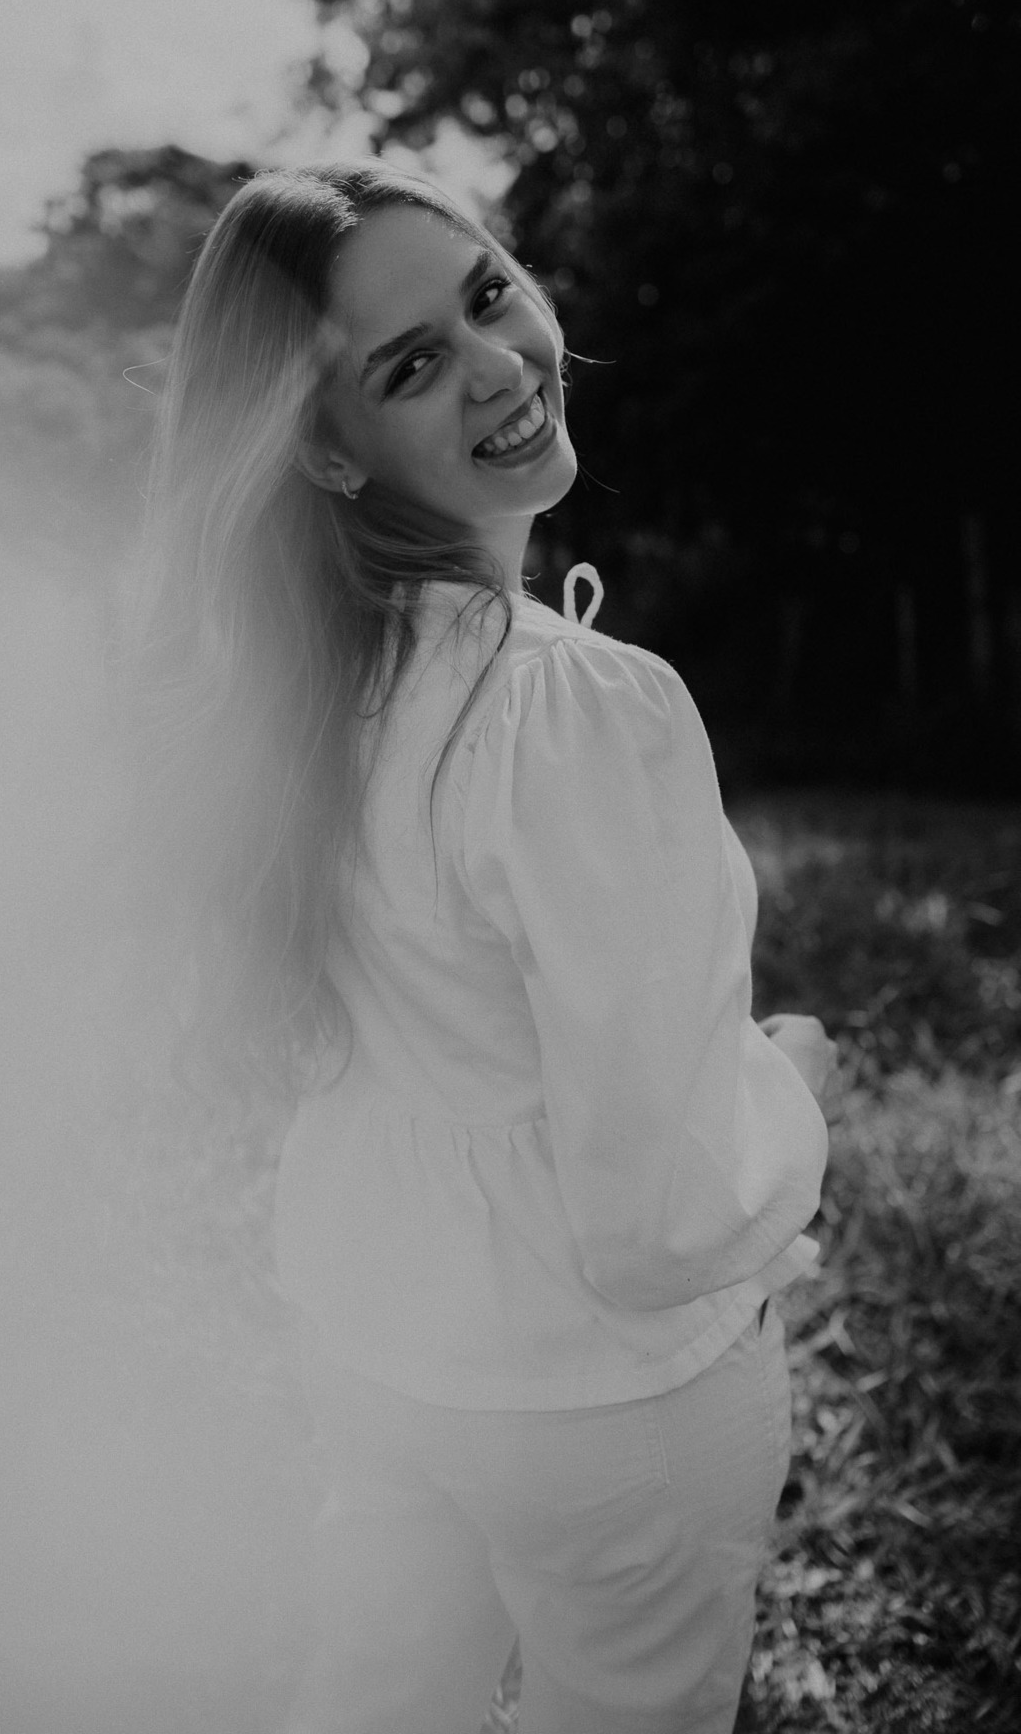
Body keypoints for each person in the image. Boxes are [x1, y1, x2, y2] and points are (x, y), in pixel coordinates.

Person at [125, 161, 836, 1734]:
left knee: (384, 1699)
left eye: (488, 293)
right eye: (410, 365)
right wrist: (793, 1086)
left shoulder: (302, 698)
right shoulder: (567, 705)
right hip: (608, 1394)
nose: (500, 365)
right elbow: (656, 1214)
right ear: (325, 448)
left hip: (383, 1345)